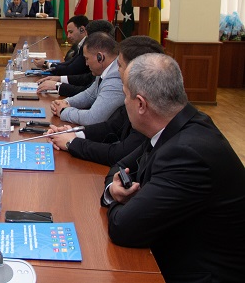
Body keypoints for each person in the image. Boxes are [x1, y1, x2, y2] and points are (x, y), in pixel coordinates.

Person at [101, 53, 245, 283]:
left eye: (125, 95)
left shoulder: (186, 154)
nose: (124, 102)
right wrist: (113, 189)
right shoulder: (176, 124)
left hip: (196, 273)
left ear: (141, 104)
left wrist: (118, 201)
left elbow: (124, 228)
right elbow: (120, 165)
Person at [48, 36, 164, 166]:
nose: (117, 70)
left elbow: (119, 154)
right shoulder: (140, 95)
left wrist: (72, 143)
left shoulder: (151, 108)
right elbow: (112, 127)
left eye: (119, 65)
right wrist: (72, 133)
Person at [51, 32, 124, 125]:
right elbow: (90, 95)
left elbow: (92, 118)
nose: (86, 64)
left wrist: (63, 111)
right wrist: (66, 102)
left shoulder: (115, 80)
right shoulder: (106, 70)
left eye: (87, 59)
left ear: (100, 57)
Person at [37, 20, 114, 96]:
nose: (86, 64)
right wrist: (59, 79)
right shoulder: (101, 67)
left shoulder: (114, 75)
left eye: (88, 39)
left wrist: (58, 86)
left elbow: (88, 93)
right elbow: (88, 79)